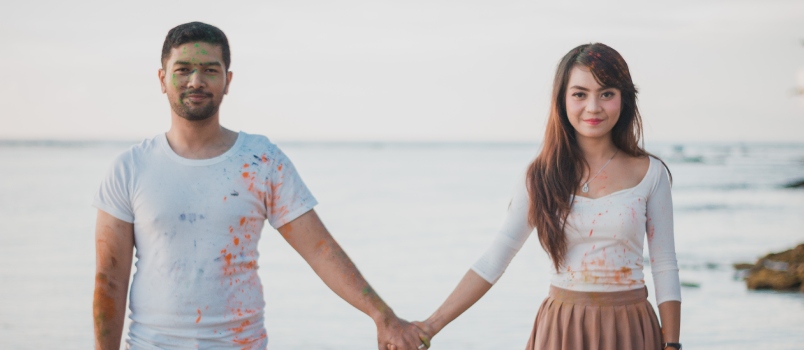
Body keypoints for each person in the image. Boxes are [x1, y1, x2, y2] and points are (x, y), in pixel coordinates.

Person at [92, 22, 430, 350]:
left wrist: (383, 316)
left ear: (228, 81)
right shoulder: (130, 168)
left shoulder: (260, 160)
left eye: (210, 70)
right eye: (183, 70)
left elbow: (320, 250)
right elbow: (110, 278)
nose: (196, 81)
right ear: (162, 79)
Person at [411, 43, 682, 350]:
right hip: (562, 328)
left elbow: (665, 265)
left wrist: (672, 345)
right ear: (562, 100)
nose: (593, 107)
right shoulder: (540, 177)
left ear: (624, 99)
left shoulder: (650, 173)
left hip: (631, 327)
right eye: (580, 94)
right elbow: (495, 259)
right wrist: (430, 326)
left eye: (606, 93)